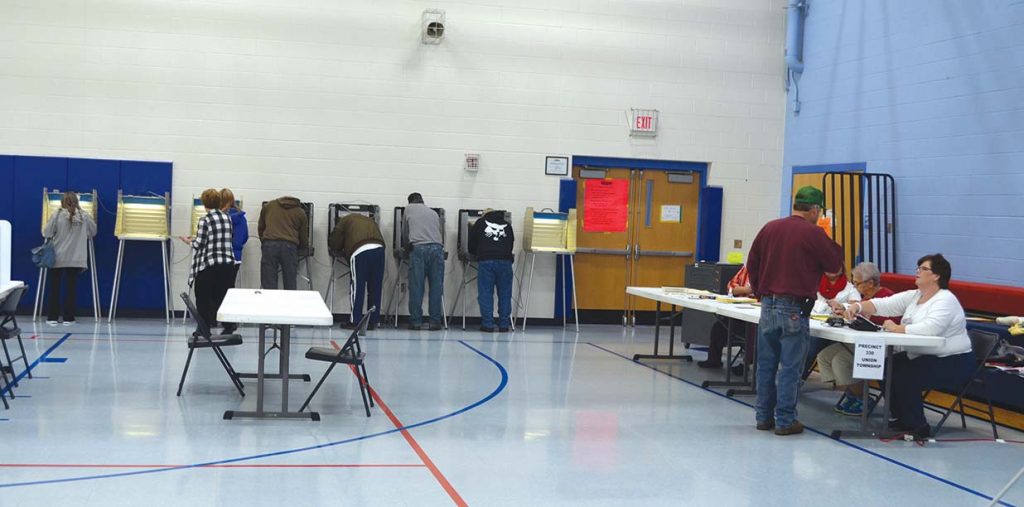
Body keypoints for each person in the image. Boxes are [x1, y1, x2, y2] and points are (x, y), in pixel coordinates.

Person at [841, 253, 974, 439]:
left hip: (953, 361)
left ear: (936, 275)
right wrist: (858, 307)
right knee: (886, 366)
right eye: (917, 268)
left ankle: (918, 426)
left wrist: (898, 328)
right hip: (923, 355)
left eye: (923, 269)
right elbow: (883, 304)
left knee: (905, 375)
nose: (917, 272)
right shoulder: (914, 296)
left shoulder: (946, 300)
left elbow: (931, 329)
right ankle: (902, 418)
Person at [747, 186, 844, 436]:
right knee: (790, 367)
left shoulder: (770, 228)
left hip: (767, 306)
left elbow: (752, 263)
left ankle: (763, 417)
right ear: (814, 209)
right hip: (794, 309)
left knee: (766, 364)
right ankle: (785, 420)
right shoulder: (814, 234)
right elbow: (835, 266)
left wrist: (760, 292)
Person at [818, 261, 898, 416]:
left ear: (870, 283)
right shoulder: (862, 298)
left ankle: (863, 398)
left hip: (879, 345)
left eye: (857, 283)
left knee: (840, 361)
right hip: (860, 341)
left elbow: (888, 323)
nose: (854, 287)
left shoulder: (887, 297)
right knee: (824, 356)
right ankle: (853, 393)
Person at [181, 189, 236, 335]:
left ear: (205, 203)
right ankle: (229, 326)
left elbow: (199, 244)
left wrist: (188, 241)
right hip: (227, 264)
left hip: (209, 265)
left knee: (203, 297)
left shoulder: (204, 220)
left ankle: (204, 328)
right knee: (222, 296)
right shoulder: (227, 218)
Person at [42, 192, 97, 325]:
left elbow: (47, 232)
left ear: (63, 201)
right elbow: (93, 233)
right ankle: (68, 318)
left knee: (54, 288)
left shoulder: (57, 215)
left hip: (57, 257)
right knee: (70, 288)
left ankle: (52, 318)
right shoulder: (85, 216)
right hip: (76, 258)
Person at [329, 212, 385, 330]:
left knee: (357, 287)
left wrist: (335, 249)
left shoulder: (345, 220)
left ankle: (355, 321)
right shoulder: (370, 220)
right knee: (375, 287)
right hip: (379, 249)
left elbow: (335, 240)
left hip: (360, 250)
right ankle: (373, 321)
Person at [802, 268, 861, 378]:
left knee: (812, 343)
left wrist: (841, 308)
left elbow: (856, 308)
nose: (831, 269)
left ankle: (798, 378)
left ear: (841, 268)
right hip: (812, 323)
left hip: (835, 329)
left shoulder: (850, 289)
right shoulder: (814, 282)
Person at [698, 265, 754, 374]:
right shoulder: (746, 268)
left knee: (754, 334)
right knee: (719, 328)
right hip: (740, 311)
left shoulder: (769, 269)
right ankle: (714, 360)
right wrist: (747, 290)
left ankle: (745, 364)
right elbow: (730, 287)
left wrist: (740, 290)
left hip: (755, 316)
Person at [402, 193, 445, 331]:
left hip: (419, 249)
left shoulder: (408, 209)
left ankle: (415, 322)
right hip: (437, 249)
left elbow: (405, 233)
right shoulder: (433, 213)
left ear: (410, 201)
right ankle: (435, 322)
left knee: (416, 287)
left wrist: (406, 247)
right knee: (436, 288)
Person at [468, 209, 514, 333]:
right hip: (505, 262)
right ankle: (504, 324)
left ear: (485, 215)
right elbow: (510, 244)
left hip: (487, 261)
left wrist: (477, 252)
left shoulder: (480, 222)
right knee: (505, 294)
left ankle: (488, 324)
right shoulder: (508, 225)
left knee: (486, 294)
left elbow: (471, 244)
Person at [258, 196, 308, 290]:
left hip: (270, 244)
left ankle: (269, 304)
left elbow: (261, 226)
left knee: (269, 281)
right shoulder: (300, 212)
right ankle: (288, 304)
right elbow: (303, 236)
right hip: (290, 246)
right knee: (290, 282)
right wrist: (303, 248)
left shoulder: (269, 206)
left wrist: (264, 241)